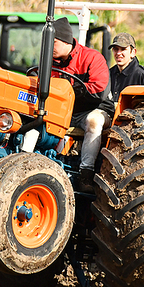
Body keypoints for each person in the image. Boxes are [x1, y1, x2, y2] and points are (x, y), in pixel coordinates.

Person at [51, 17, 114, 189]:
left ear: (65, 41)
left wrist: (69, 91)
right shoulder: (50, 62)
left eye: (53, 42)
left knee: (93, 120)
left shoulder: (92, 58)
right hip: (69, 111)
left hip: (96, 109)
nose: (50, 46)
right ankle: (48, 162)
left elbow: (98, 90)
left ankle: (86, 173)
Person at [108, 33, 144, 101]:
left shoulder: (141, 75)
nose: (118, 53)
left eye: (123, 49)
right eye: (116, 49)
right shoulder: (108, 73)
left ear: (133, 52)